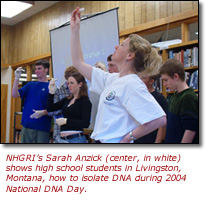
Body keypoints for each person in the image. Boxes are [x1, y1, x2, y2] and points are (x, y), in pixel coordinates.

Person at [70, 7, 166, 143]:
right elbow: (78, 62)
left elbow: (159, 119)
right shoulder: (113, 79)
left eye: (122, 45)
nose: (116, 47)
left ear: (130, 55)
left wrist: (128, 138)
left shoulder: (132, 83)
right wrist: (75, 30)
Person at [12, 59, 52, 143]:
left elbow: (54, 109)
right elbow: (14, 94)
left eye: (39, 68)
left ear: (46, 70)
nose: (36, 71)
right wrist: (16, 79)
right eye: (35, 69)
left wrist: (43, 112)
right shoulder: (30, 85)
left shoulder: (51, 87)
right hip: (27, 126)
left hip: (42, 128)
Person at [159, 59, 199, 143]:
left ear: (176, 76)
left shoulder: (188, 97)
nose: (165, 84)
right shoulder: (174, 97)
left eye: (166, 80)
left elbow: (190, 129)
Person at [46, 72, 92, 143]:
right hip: (63, 140)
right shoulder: (67, 99)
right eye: (68, 83)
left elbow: (85, 123)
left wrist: (66, 121)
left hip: (76, 139)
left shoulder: (85, 101)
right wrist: (51, 93)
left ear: (80, 84)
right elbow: (50, 108)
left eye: (72, 83)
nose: (69, 85)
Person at [135, 74, 168, 143]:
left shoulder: (159, 98)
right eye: (139, 77)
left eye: (143, 78)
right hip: (137, 137)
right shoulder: (137, 96)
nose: (140, 80)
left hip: (151, 138)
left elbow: (162, 124)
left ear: (151, 81)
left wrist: (158, 141)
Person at [49, 66, 78, 143]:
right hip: (60, 131)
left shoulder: (79, 90)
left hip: (75, 131)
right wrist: (66, 109)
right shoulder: (59, 90)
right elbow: (51, 111)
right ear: (66, 77)